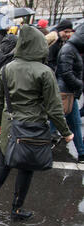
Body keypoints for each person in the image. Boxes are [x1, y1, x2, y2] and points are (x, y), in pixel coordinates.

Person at [0, 25, 74, 220]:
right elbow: (54, 106)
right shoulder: (45, 71)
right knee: (25, 166)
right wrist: (66, 132)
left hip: (9, 122)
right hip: (32, 126)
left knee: (5, 160)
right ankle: (16, 209)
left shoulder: (7, 68)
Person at [55, 24, 84, 163]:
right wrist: (79, 84)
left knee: (73, 122)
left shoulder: (70, 49)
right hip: (65, 93)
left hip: (68, 92)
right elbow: (66, 73)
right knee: (57, 121)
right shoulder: (68, 49)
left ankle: (82, 153)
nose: (67, 34)